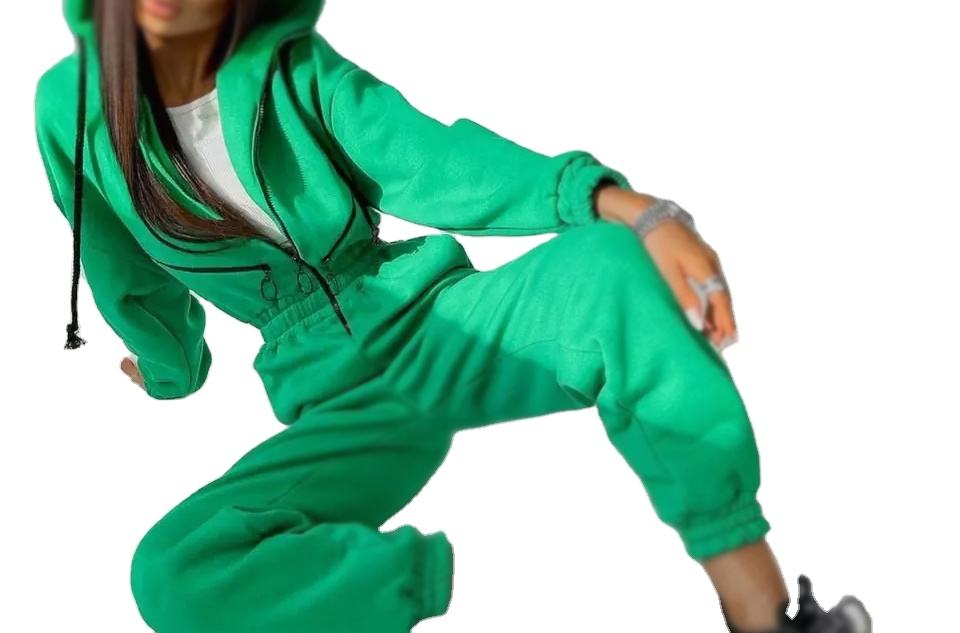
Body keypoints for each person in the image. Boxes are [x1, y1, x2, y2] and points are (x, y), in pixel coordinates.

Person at [34, 1, 871, 632]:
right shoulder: (70, 107)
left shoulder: (296, 70)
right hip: (335, 404)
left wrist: (628, 207)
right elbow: (117, 262)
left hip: (433, 323)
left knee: (610, 267)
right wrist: (171, 367)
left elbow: (434, 162)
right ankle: (429, 584)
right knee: (173, 570)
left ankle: (765, 615)